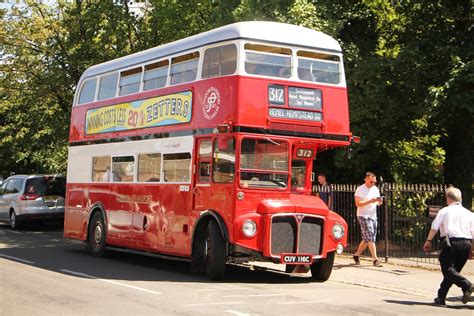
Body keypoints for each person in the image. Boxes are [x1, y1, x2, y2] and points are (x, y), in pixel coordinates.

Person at [423, 186, 474, 306]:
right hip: (466, 244)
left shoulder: (445, 211)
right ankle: (441, 297)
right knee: (452, 272)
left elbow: (435, 227)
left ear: (448, 198)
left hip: (451, 243)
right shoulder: (469, 213)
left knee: (447, 270)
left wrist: (428, 240)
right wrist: (472, 249)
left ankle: (467, 285)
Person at [352, 171, 383, 267]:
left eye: (374, 182)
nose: (373, 183)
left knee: (366, 239)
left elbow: (378, 203)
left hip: (373, 216)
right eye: (371, 182)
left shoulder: (375, 189)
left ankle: (356, 255)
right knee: (370, 237)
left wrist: (379, 201)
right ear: (366, 179)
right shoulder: (360, 189)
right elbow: (358, 204)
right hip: (363, 215)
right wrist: (370, 201)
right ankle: (375, 260)